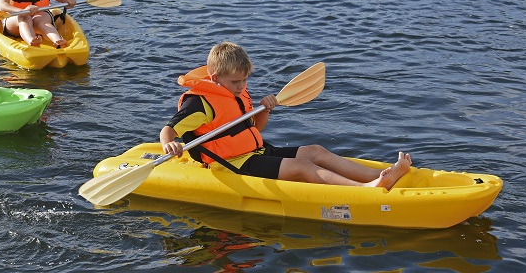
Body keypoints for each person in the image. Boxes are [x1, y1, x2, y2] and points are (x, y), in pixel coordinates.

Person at [159, 42, 413, 189]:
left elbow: (256, 130)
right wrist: (169, 143)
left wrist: (265, 109)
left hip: (255, 152)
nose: (241, 86)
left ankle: (378, 175)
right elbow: (169, 130)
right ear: (215, 78)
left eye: (245, 79)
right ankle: (366, 189)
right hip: (231, 165)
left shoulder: (236, 92)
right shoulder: (200, 102)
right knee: (302, 166)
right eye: (236, 81)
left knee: (315, 151)